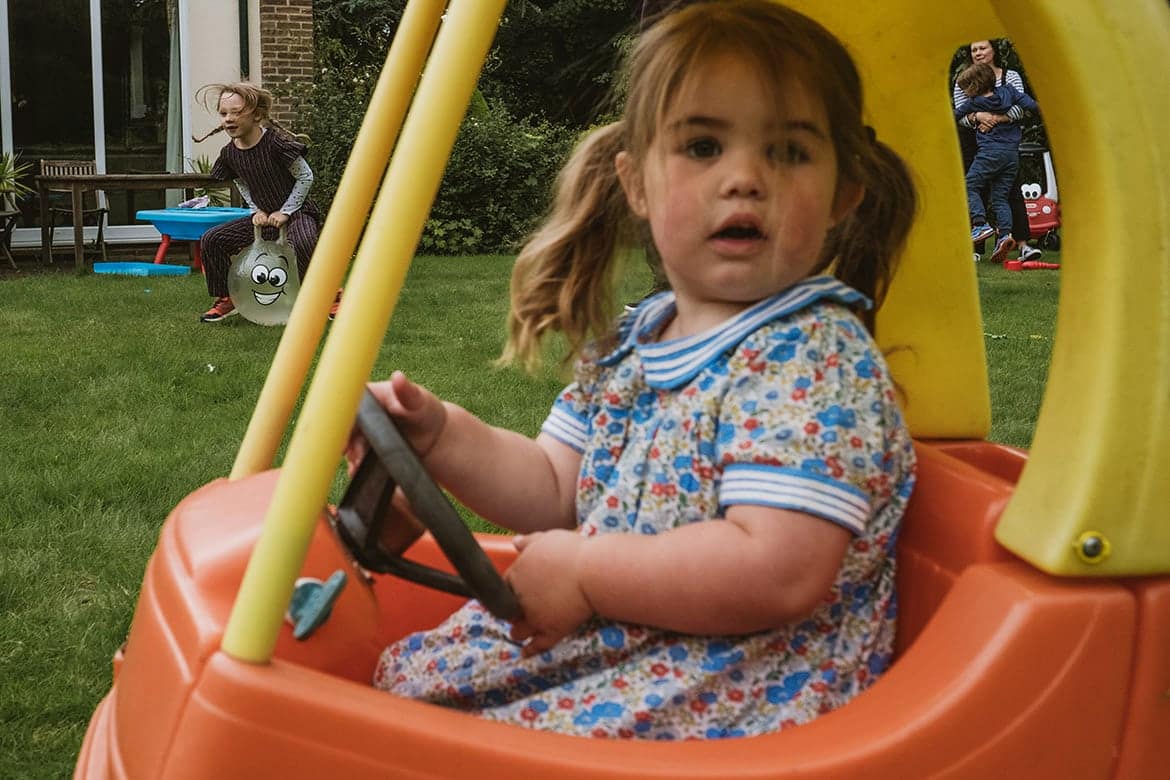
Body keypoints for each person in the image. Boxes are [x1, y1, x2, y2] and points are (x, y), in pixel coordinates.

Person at [351, 0, 917, 740]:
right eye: (704, 146)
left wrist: (588, 572)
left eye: (788, 152)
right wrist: (443, 436)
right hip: (637, 648)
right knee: (402, 694)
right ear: (637, 184)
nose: (745, 177)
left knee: (401, 736)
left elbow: (776, 569)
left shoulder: (813, 358)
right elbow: (555, 486)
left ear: (844, 194)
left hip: (737, 692)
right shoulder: (636, 341)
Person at [193, 83, 333, 322]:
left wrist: (287, 211)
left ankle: (328, 295)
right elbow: (240, 182)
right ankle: (228, 298)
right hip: (264, 218)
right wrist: (255, 209)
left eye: (237, 112)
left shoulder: (276, 144)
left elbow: (305, 176)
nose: (229, 119)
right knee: (212, 239)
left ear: (257, 114)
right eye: (224, 113)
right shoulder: (229, 154)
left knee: (303, 241)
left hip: (297, 214)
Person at [950, 40, 1043, 264]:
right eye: (974, 49)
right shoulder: (1009, 90)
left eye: (983, 48)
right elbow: (1030, 106)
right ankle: (1004, 237)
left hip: (989, 151)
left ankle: (981, 225)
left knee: (971, 185)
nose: (978, 52)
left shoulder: (975, 99)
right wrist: (982, 118)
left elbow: (955, 114)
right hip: (1009, 152)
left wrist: (985, 116)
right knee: (1000, 197)